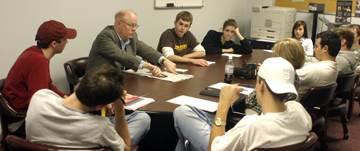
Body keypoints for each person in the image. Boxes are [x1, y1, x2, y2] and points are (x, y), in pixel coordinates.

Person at [173, 57, 312, 151]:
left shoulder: (251, 125)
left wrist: (223, 104)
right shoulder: (300, 111)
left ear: (261, 86)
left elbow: (215, 148)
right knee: (185, 139)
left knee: (182, 113)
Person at [26, 64, 149, 150]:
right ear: (100, 106)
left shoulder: (39, 98)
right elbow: (126, 148)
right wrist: (119, 106)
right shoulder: (101, 127)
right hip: (94, 132)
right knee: (143, 119)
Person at [1, 20, 77, 136]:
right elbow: (38, 103)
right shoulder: (38, 61)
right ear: (54, 44)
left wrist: (65, 97)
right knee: (76, 129)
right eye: (64, 39)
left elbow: (47, 84)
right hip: (21, 123)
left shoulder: (33, 51)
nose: (67, 42)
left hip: (24, 115)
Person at [86, 9, 177, 76]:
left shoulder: (132, 37)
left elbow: (145, 49)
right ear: (118, 24)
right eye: (131, 25)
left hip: (122, 80)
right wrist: (147, 65)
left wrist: (164, 60)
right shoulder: (105, 36)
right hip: (97, 82)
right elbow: (121, 55)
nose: (134, 29)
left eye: (135, 25)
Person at [245, 38, 305, 114]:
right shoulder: (295, 78)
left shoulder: (276, 78)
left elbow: (249, 102)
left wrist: (263, 74)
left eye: (276, 56)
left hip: (260, 115)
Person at [297, 31, 341, 96]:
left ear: (325, 48)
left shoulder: (315, 69)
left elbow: (288, 77)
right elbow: (313, 60)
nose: (314, 49)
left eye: (316, 46)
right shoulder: (334, 67)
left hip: (291, 102)